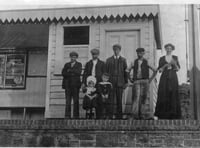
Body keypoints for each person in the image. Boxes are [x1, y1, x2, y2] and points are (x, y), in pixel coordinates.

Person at [127, 47, 157, 120]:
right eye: (138, 53)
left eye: (141, 53)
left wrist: (150, 79)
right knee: (135, 97)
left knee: (143, 97)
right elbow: (127, 70)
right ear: (136, 53)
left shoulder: (147, 61)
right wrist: (130, 78)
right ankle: (133, 115)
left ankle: (142, 114)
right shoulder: (134, 62)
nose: (139, 54)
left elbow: (155, 70)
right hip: (136, 81)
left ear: (143, 53)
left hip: (145, 81)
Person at [154, 43, 181, 119]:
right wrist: (164, 66)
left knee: (173, 93)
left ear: (172, 49)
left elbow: (178, 69)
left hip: (173, 77)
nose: (169, 49)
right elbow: (159, 70)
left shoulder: (175, 58)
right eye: (167, 48)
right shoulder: (162, 58)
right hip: (164, 77)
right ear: (165, 49)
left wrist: (174, 64)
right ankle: (163, 114)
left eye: (170, 48)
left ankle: (173, 114)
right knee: (164, 93)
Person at [106, 44, 128, 119]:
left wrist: (126, 82)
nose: (116, 51)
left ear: (119, 50)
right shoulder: (109, 60)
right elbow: (106, 72)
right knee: (111, 99)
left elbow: (126, 72)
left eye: (117, 50)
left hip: (120, 82)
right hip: (111, 82)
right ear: (113, 50)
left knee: (119, 99)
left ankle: (119, 116)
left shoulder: (123, 60)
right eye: (114, 49)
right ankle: (110, 115)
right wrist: (106, 82)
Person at [82, 48, 105, 118]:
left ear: (98, 55)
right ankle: (89, 114)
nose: (94, 56)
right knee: (89, 98)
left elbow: (104, 74)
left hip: (98, 82)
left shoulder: (102, 63)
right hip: (90, 83)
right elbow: (85, 74)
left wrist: (103, 83)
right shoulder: (88, 63)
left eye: (96, 54)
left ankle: (99, 115)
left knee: (98, 98)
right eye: (93, 54)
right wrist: (83, 83)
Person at [61, 51, 82, 119]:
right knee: (68, 101)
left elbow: (78, 72)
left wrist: (70, 70)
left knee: (76, 100)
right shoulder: (67, 64)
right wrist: (72, 72)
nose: (73, 58)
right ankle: (67, 115)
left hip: (75, 85)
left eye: (74, 57)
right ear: (70, 57)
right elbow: (63, 73)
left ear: (76, 58)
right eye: (72, 57)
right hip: (68, 85)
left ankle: (76, 116)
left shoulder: (79, 64)